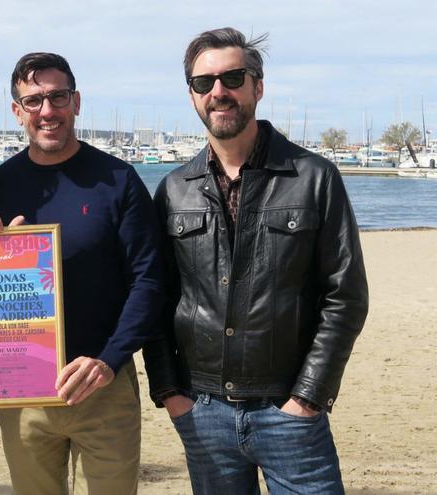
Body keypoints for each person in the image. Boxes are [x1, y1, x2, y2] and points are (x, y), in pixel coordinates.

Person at [143, 27, 369, 494]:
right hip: (202, 412)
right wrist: (170, 392)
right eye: (204, 83)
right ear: (192, 96)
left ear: (258, 87)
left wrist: (307, 397)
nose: (219, 92)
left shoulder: (313, 178)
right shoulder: (175, 189)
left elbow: (344, 296)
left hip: (288, 410)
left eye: (233, 77)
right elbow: (157, 298)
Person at [0, 52, 164, 495]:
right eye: (33, 101)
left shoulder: (119, 180)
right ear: (17, 112)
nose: (47, 111)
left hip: (103, 383)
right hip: (23, 389)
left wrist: (109, 361)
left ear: (76, 101)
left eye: (57, 97)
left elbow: (149, 280)